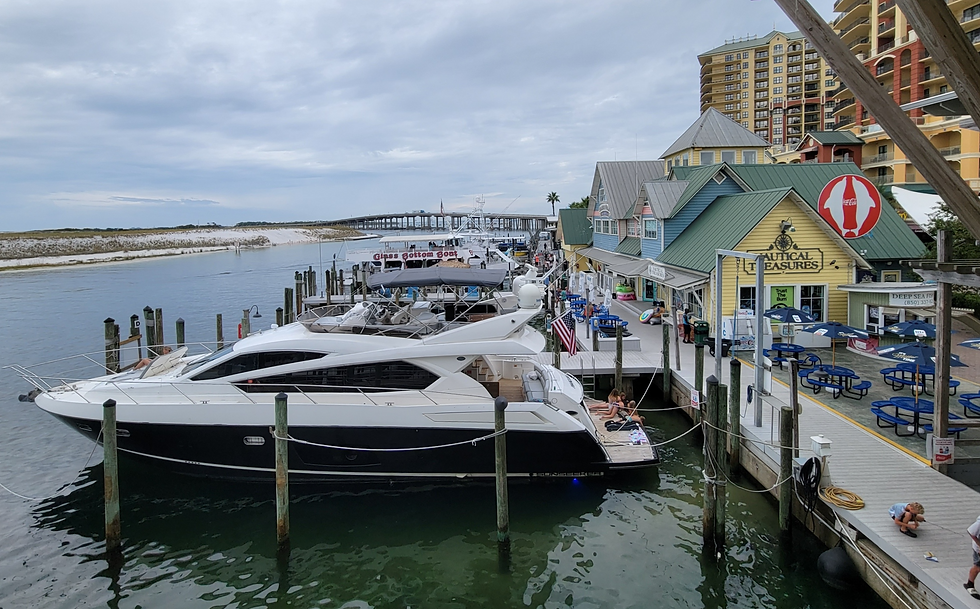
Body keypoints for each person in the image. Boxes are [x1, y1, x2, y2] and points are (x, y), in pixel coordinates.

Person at [967, 514, 980, 598]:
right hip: (978, 548)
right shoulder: (979, 523)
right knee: (978, 566)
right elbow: (971, 532)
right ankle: (970, 584)